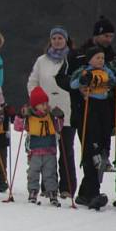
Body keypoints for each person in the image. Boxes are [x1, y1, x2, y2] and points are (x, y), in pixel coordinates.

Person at [67, 46, 116, 209]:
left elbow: (115, 81)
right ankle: (91, 191)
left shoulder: (107, 70)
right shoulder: (84, 70)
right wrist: (83, 80)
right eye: (97, 58)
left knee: (104, 135)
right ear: (89, 59)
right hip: (90, 105)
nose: (101, 61)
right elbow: (73, 84)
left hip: (104, 105)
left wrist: (111, 81)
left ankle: (104, 156)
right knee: (91, 140)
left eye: (102, 58)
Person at [28, 27, 75, 198]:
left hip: (67, 111)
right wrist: (36, 101)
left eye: (60, 38)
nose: (57, 41)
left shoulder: (72, 59)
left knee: (66, 150)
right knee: (45, 150)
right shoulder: (41, 60)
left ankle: (67, 187)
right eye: (54, 38)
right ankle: (47, 186)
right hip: (44, 113)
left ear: (66, 40)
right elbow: (32, 82)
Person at [14, 86, 64, 206]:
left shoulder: (51, 116)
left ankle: (52, 192)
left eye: (46, 103)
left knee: (50, 173)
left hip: (49, 150)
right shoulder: (30, 116)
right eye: (41, 104)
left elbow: (59, 127)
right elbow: (18, 127)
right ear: (35, 105)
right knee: (33, 172)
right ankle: (33, 191)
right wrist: (21, 116)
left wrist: (60, 117)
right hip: (34, 151)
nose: (45, 106)